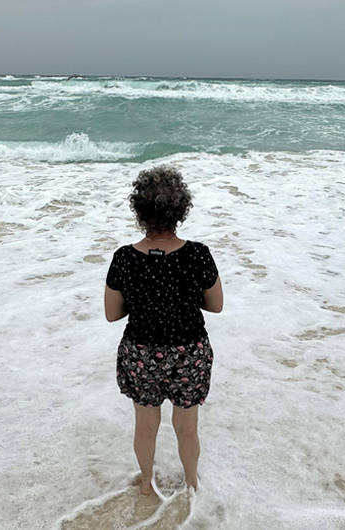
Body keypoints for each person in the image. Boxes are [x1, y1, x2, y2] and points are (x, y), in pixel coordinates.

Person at [104, 165, 223, 495]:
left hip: (141, 352)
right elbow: (216, 305)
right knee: (187, 427)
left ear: (139, 211)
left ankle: (146, 483)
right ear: (181, 209)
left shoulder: (125, 258)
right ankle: (190, 482)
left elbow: (112, 314)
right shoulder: (198, 255)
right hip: (189, 354)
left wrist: (144, 301)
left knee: (145, 426)